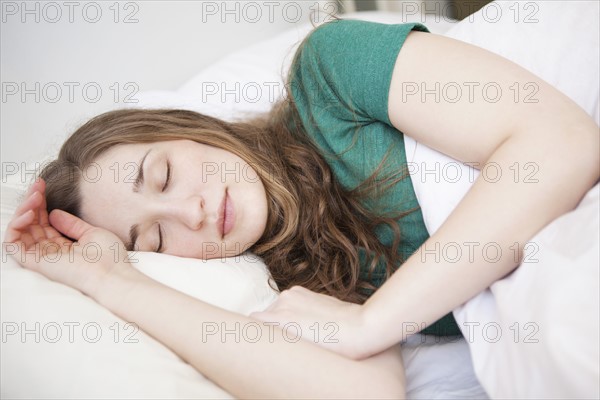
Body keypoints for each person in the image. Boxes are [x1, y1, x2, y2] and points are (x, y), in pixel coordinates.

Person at [3, 17, 599, 399]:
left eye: (163, 174)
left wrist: (374, 321)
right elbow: (360, 395)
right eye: (155, 241)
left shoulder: (328, 74)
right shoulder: (298, 270)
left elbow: (561, 143)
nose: (191, 215)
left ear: (189, 129)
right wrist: (107, 280)